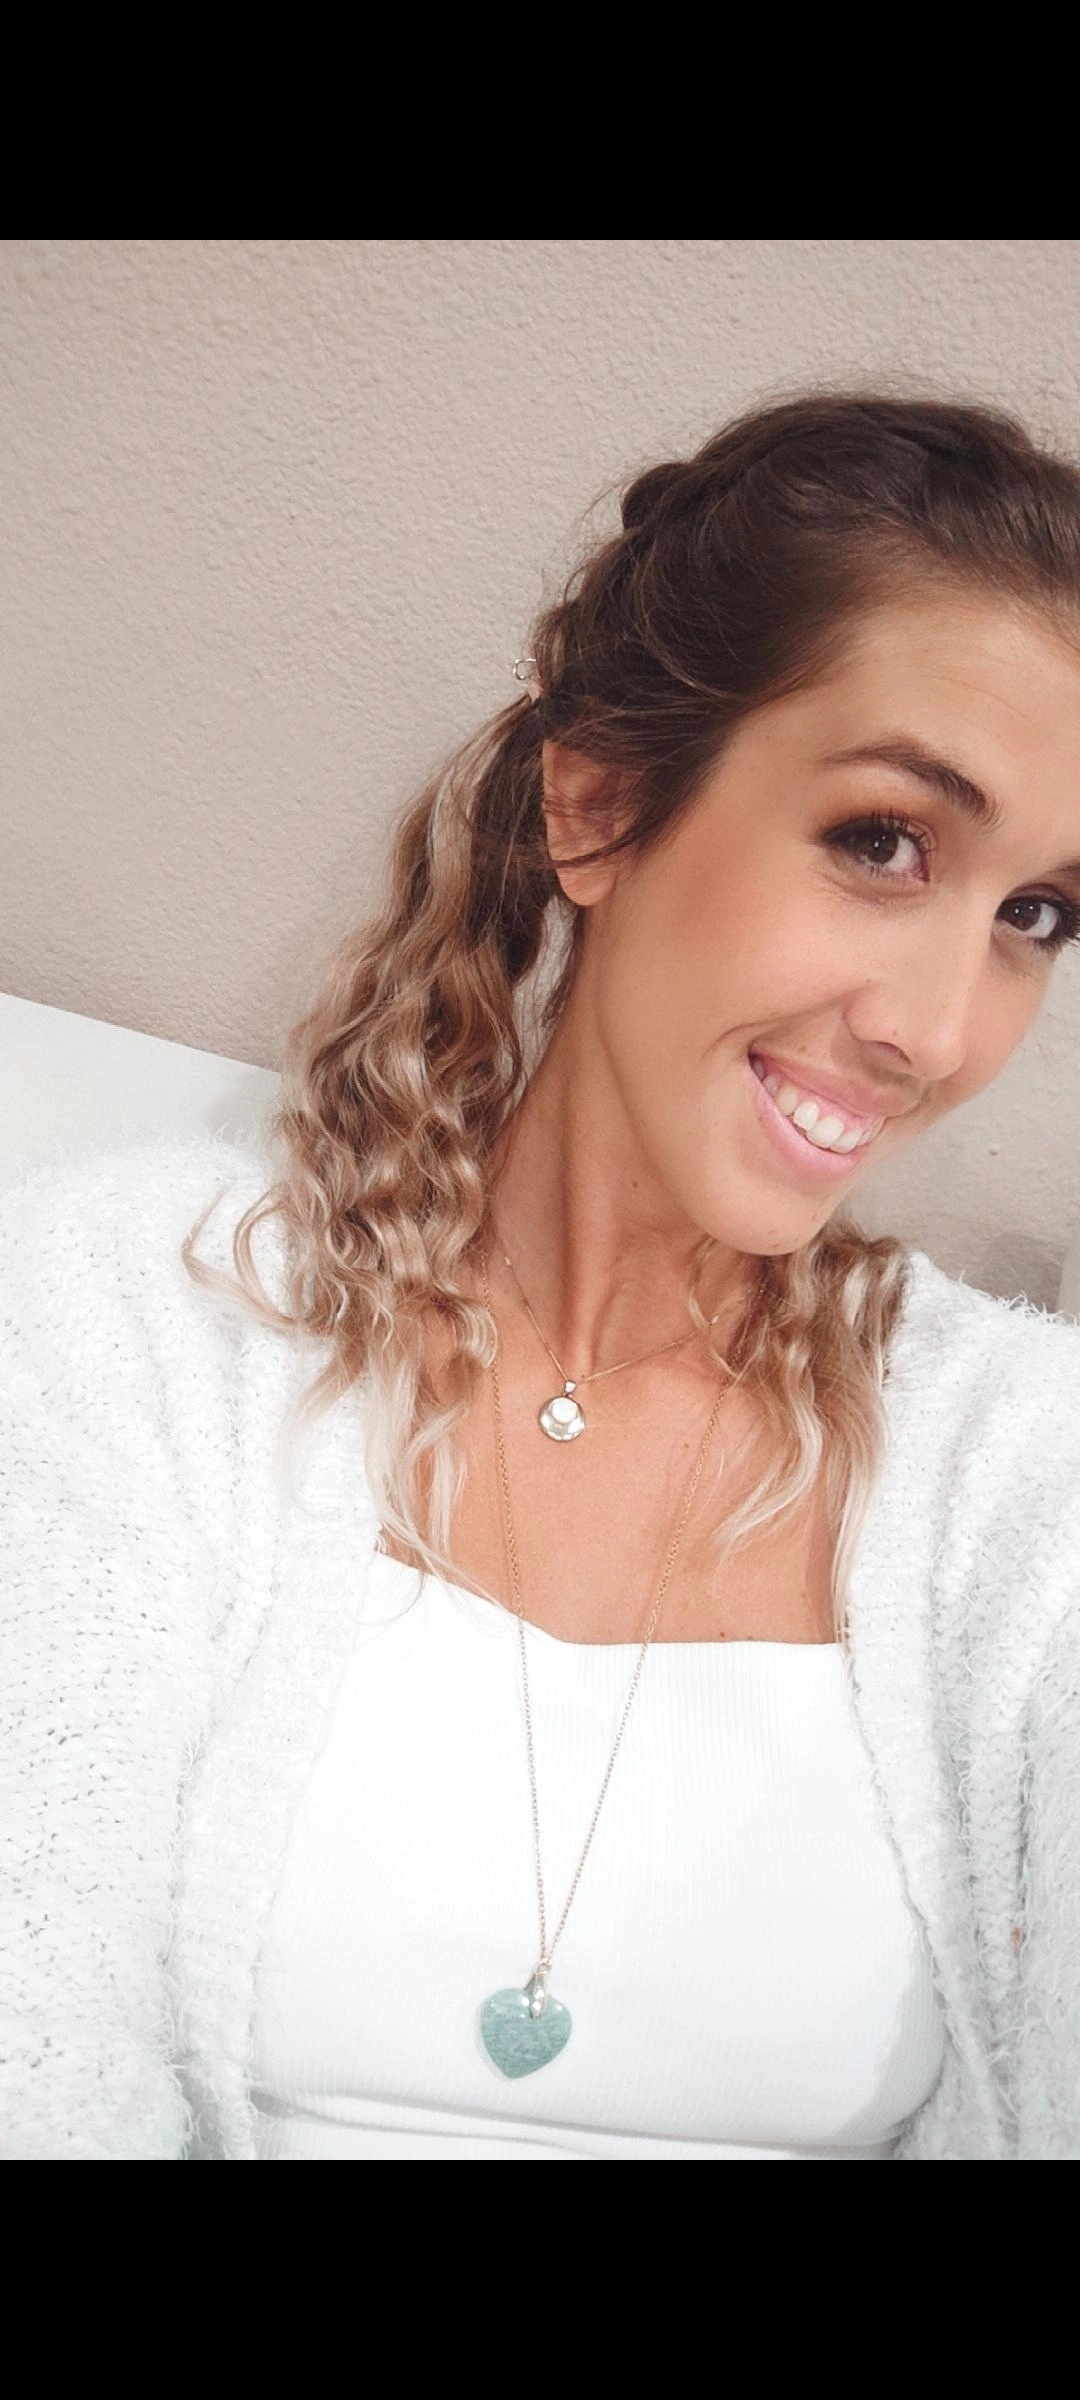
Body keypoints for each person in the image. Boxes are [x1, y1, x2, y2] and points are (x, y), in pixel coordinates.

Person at [3, 388, 1080, 2161]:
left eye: (1036, 916)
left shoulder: (1027, 1482)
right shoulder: (137, 1322)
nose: (941, 1031)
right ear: (599, 807)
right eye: (883, 841)